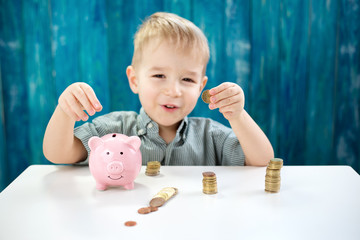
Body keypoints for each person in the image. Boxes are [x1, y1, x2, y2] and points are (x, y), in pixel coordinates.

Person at [43, 12, 274, 166]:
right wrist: (65, 111)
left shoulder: (211, 135)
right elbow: (57, 154)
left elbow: (263, 160)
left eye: (187, 80)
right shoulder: (113, 129)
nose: (173, 90)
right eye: (159, 75)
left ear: (202, 86)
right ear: (134, 80)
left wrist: (238, 115)